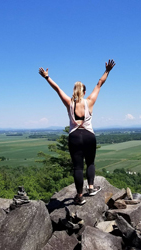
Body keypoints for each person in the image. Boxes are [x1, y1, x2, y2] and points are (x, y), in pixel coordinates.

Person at [39, 59, 115, 205]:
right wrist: (107, 70)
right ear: (84, 92)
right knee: (90, 162)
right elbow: (100, 83)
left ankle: (80, 196)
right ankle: (91, 188)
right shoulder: (90, 101)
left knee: (78, 167)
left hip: (74, 136)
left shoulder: (69, 102)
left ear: (74, 91)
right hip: (88, 135)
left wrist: (47, 77)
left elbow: (57, 88)